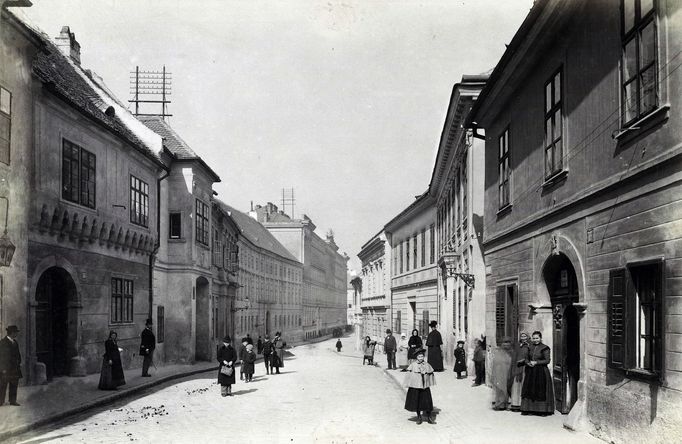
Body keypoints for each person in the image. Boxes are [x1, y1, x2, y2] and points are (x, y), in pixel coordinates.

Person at [521, 331, 554, 415]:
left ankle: (541, 410)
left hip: (541, 371)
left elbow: (547, 360)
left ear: (541, 338)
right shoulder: (530, 347)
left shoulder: (545, 348)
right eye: (534, 338)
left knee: (540, 389)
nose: (535, 340)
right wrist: (528, 363)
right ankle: (528, 409)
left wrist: (536, 362)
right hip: (531, 371)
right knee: (529, 389)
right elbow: (526, 358)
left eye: (537, 338)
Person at [403, 349, 436, 425]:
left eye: (422, 356)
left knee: (427, 402)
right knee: (417, 402)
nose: (421, 358)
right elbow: (408, 376)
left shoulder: (427, 365)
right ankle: (419, 417)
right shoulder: (413, 365)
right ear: (416, 357)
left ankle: (429, 418)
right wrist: (409, 384)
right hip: (416, 386)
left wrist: (429, 381)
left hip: (424, 387)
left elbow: (431, 374)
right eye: (419, 356)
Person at [0, 325, 22, 406]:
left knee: (14, 384)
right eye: (16, 332)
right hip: (6, 369)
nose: (17, 334)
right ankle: (0, 401)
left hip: (15, 368)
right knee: (3, 385)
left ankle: (12, 401)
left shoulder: (15, 342)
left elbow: (18, 354)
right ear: (12, 333)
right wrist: (3, 369)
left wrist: (19, 362)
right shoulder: (3, 342)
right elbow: (2, 357)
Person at [492, 336, 514, 410]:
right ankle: (500, 404)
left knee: (507, 387)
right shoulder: (498, 352)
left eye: (508, 343)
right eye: (504, 343)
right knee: (500, 388)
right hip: (499, 373)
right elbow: (495, 363)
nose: (506, 344)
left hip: (509, 372)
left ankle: (506, 403)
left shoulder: (512, 352)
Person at [510, 332, 530, 411]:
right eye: (522, 336)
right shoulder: (517, 345)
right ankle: (515, 404)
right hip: (517, 367)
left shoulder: (529, 346)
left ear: (527, 337)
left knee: (523, 385)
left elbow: (531, 356)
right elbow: (514, 356)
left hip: (525, 367)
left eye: (525, 336)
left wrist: (525, 360)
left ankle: (523, 404)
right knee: (516, 385)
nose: (523, 337)